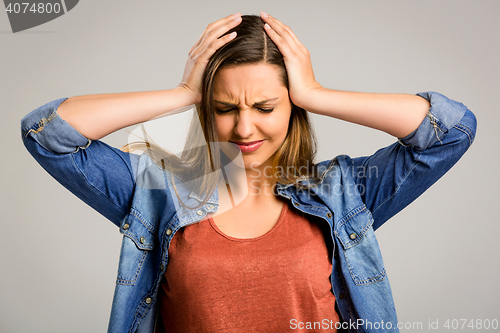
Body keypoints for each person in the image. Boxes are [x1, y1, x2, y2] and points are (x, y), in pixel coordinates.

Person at [21, 12, 476, 333]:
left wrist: (316, 92)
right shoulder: (159, 194)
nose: (243, 127)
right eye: (223, 108)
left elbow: (451, 130)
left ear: (293, 107)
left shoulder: (343, 194)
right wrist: (182, 92)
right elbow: (46, 133)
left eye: (265, 106)